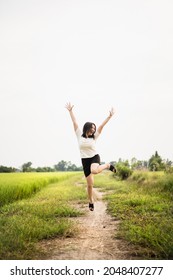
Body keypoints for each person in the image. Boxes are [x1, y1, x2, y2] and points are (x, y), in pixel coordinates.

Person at [65, 102, 116, 211]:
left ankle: (107, 165)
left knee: (94, 171)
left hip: (94, 157)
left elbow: (102, 126)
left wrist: (109, 116)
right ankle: (91, 201)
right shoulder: (79, 135)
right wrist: (70, 111)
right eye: (92, 127)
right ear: (87, 127)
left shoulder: (94, 137)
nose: (93, 129)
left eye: (94, 128)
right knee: (90, 185)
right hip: (85, 160)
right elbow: (74, 122)